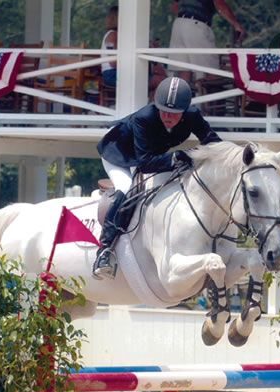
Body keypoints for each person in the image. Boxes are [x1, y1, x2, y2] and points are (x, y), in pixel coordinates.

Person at [92, 76, 222, 280]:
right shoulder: (144, 118)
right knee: (127, 189)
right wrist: (179, 155)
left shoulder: (193, 115)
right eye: (164, 110)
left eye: (174, 113)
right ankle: (104, 251)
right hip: (119, 154)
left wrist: (233, 155)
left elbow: (212, 142)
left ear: (185, 110)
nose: (168, 116)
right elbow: (145, 164)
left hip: (148, 155)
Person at [168, 0, 246, 82]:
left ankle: (185, 94)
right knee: (211, 72)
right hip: (195, 25)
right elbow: (220, 4)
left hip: (178, 25)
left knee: (184, 72)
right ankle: (211, 93)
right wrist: (236, 24)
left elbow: (175, 6)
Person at [100, 6, 118, 87]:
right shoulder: (112, 35)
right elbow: (113, 62)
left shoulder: (115, 34)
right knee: (155, 80)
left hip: (113, 72)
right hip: (111, 74)